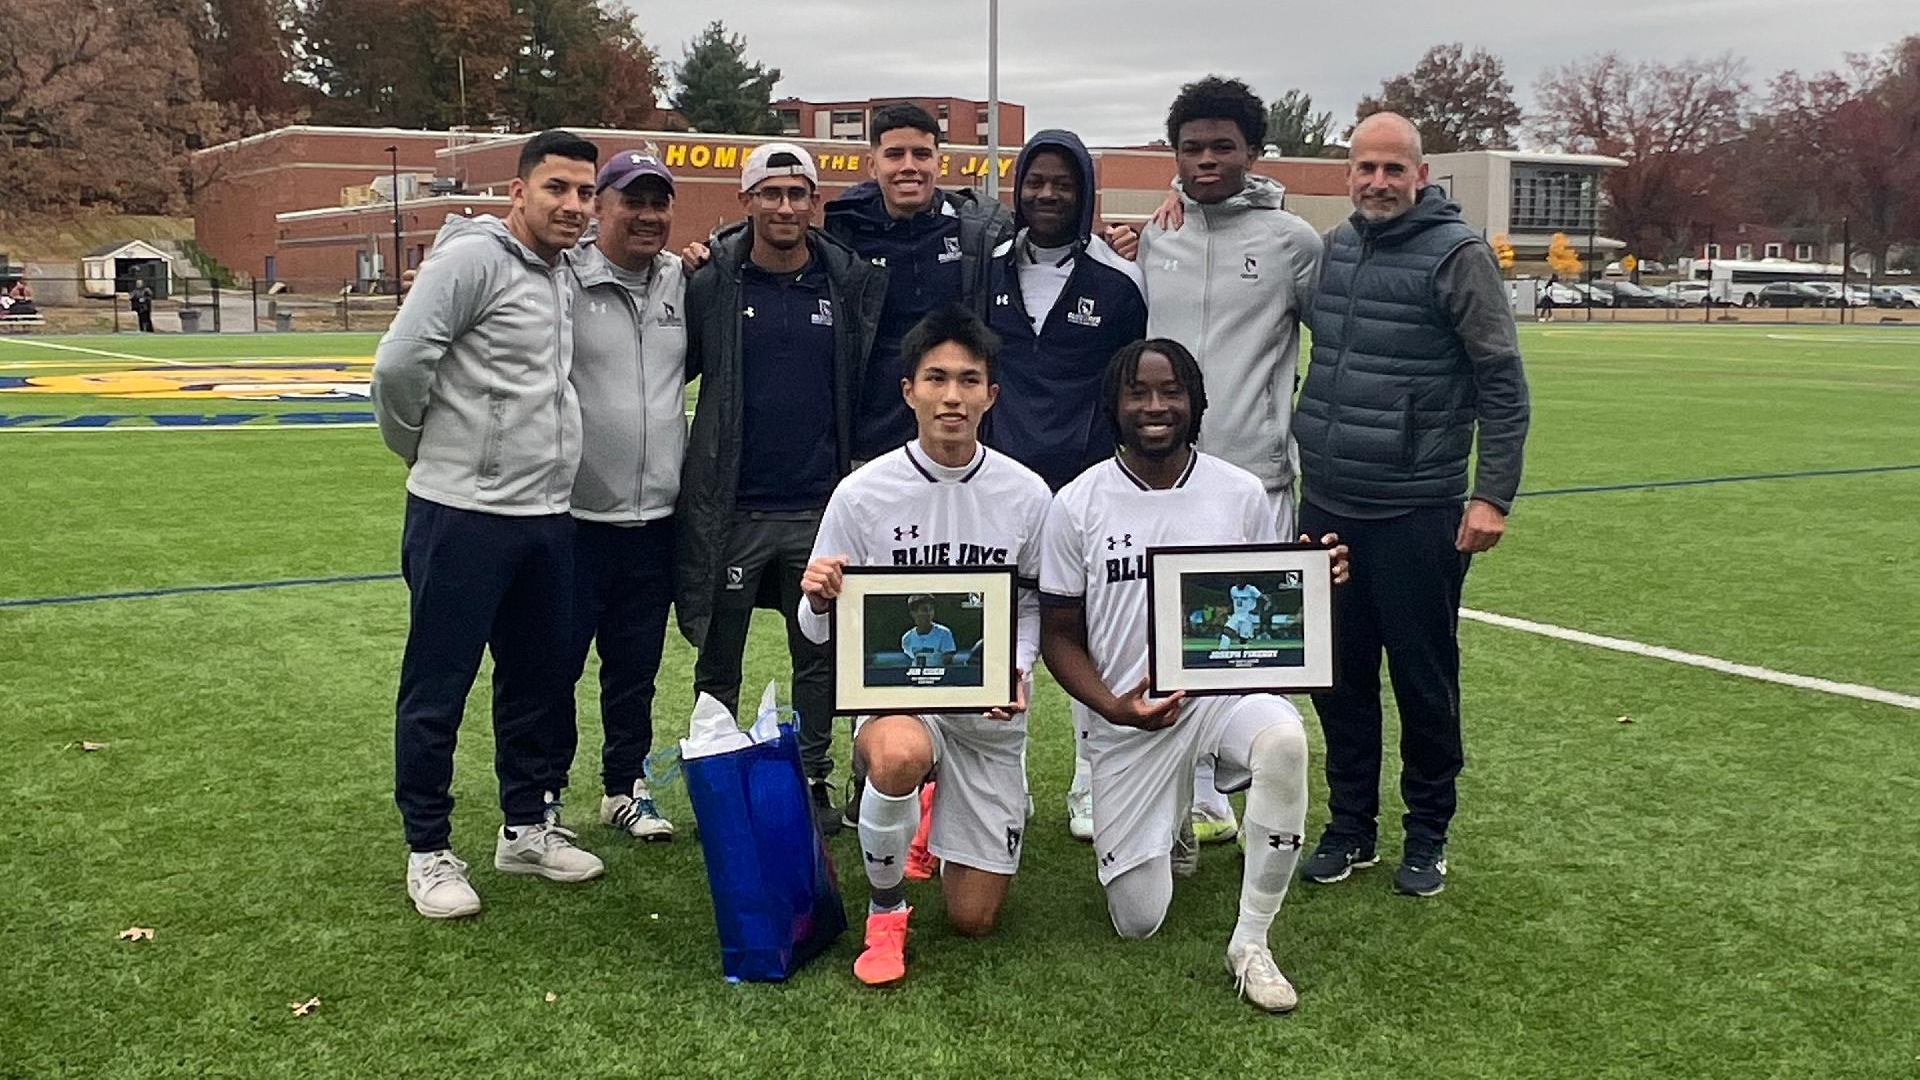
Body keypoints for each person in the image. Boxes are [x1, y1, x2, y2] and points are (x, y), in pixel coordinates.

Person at [1038, 338, 1347, 1013]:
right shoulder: (1076, 503)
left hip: (1221, 695)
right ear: (1114, 405)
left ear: (1195, 402)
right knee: (1138, 920)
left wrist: (1314, 583)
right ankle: (1173, 815)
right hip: (1131, 716)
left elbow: (1267, 599)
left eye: (1171, 391)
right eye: (1138, 392)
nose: (1155, 406)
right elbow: (1059, 636)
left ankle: (1252, 944)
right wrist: (1114, 707)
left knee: (1285, 743)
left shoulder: (1239, 493)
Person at [1292, 112, 1531, 898]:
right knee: (1339, 680)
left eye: (1394, 169)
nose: (1378, 182)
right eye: (1365, 168)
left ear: (1421, 176)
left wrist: (1492, 492)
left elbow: (1502, 381)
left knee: (1424, 682)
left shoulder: (1458, 256)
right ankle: (1350, 826)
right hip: (1328, 501)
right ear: (1348, 174)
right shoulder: (1338, 248)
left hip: (1417, 510)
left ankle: (1427, 834)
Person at [370, 129, 605, 920]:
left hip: (547, 515)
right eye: (557, 189)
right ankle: (428, 848)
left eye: (584, 192)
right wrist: (429, 454)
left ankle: (526, 826)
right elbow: (399, 368)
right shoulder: (472, 259)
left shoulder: (567, 269)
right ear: (518, 193)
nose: (573, 205)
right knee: (438, 685)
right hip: (462, 514)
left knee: (539, 680)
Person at [797, 304, 1052, 987]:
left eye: (969, 380)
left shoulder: (1027, 494)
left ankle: (934, 811)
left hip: (987, 717)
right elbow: (814, 626)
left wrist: (1018, 669)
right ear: (908, 389)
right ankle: (886, 911)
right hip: (901, 703)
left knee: (974, 918)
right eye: (935, 378)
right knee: (900, 753)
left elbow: (1031, 605)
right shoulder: (862, 493)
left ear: (991, 395)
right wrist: (819, 596)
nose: (952, 396)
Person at [1135, 75, 1323, 845]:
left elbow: (1332, 346)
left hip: (1255, 477)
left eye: (1223, 146)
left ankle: (1232, 789)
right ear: (1173, 156)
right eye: (1191, 148)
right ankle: (1169, 790)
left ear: (1253, 151)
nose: (1206, 160)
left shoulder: (1294, 242)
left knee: (1244, 638)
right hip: (1160, 473)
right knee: (1160, 635)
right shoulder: (1157, 234)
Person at [675, 143, 884, 835]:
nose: (786, 206)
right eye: (772, 193)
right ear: (748, 202)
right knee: (720, 652)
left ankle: (814, 778)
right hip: (735, 504)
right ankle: (719, 770)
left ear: (814, 202)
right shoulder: (712, 283)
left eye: (799, 193)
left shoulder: (843, 282)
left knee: (818, 653)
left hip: (818, 507)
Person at [557, 149, 689, 843]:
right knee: (554, 666)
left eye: (659, 202)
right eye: (632, 201)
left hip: (656, 519)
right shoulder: (563, 277)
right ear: (599, 206)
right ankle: (539, 801)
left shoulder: (681, 279)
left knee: (634, 667)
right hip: (574, 518)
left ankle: (623, 786)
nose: (647, 215)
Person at [824, 102, 1014, 466]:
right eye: (895, 154)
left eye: (921, 154)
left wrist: (1117, 239)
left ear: (938, 162)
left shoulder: (979, 231)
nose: (909, 166)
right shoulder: (843, 235)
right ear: (872, 164)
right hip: (870, 445)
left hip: (959, 443)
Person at [900, 595, 958, 666]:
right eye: (924, 610)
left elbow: (949, 663)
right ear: (913, 613)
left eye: (930, 609)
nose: (928, 613)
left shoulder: (944, 634)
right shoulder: (907, 638)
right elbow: (908, 663)